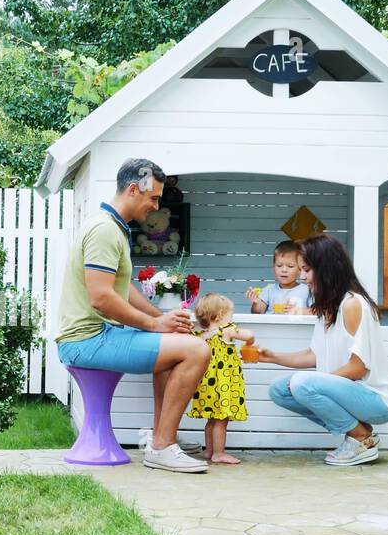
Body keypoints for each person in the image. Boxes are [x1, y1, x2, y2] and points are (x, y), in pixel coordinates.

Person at [55, 158, 210, 473]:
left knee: (176, 341)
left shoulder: (112, 227)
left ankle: (161, 438)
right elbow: (101, 298)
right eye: (153, 198)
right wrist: (155, 324)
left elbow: (122, 290)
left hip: (97, 336)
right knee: (198, 350)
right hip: (86, 341)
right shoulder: (104, 231)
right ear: (131, 189)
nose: (155, 206)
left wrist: (164, 320)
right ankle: (164, 447)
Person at [256, 234, 388, 466]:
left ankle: (362, 439)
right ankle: (358, 431)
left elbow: (358, 367)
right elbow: (314, 356)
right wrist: (272, 357)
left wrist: (314, 383)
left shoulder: (352, 304)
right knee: (279, 390)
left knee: (302, 384)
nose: (302, 277)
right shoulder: (327, 306)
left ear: (326, 269)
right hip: (348, 392)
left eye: (307, 270)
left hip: (375, 399)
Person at [186, 293, 254, 465]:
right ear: (219, 316)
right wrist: (250, 341)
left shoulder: (201, 336)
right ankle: (219, 453)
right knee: (221, 420)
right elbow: (249, 335)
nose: (232, 318)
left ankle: (209, 450)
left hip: (207, 385)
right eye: (230, 314)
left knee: (212, 419)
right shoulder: (227, 330)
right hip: (223, 385)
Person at [246, 240, 312, 314]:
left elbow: (316, 311)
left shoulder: (306, 290)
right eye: (279, 265)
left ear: (300, 269)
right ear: (273, 267)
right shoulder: (268, 290)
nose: (284, 270)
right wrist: (256, 302)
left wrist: (298, 310)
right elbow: (258, 312)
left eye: (290, 266)